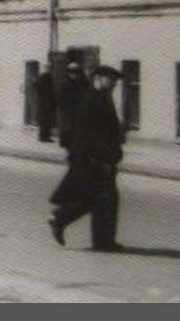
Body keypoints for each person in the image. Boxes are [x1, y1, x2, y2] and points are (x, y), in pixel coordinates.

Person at [48, 65, 125, 252]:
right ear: (97, 79)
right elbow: (87, 134)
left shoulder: (100, 98)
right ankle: (64, 221)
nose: (114, 83)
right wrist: (101, 160)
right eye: (110, 79)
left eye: (115, 80)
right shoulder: (92, 100)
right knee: (103, 199)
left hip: (99, 160)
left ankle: (99, 239)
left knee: (98, 200)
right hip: (96, 161)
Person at [58, 61, 90, 152]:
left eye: (75, 72)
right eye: (71, 72)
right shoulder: (65, 82)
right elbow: (61, 96)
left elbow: (85, 92)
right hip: (68, 108)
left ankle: (73, 142)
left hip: (78, 107)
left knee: (75, 126)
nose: (73, 74)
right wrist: (63, 107)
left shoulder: (81, 82)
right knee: (67, 126)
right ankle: (65, 142)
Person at [36, 63, 57, 143]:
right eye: (49, 68)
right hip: (46, 102)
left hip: (43, 102)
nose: (50, 70)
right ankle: (45, 136)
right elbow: (49, 91)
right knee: (46, 120)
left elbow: (38, 88)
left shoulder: (42, 77)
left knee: (44, 120)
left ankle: (43, 136)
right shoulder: (47, 77)